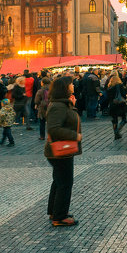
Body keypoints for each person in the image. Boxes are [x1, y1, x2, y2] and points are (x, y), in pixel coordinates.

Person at [44, 76, 80, 226]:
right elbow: (53, 128)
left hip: (60, 150)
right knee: (65, 182)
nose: (73, 85)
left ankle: (54, 211)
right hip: (60, 150)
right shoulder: (58, 106)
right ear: (64, 87)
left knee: (58, 181)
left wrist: (72, 105)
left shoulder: (62, 104)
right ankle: (60, 217)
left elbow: (67, 119)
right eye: (70, 84)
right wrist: (75, 136)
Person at [105, 72, 127, 140]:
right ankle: (117, 131)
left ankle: (116, 134)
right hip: (120, 104)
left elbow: (107, 97)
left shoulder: (109, 87)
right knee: (124, 119)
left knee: (114, 120)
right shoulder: (120, 86)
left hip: (112, 104)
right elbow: (124, 94)